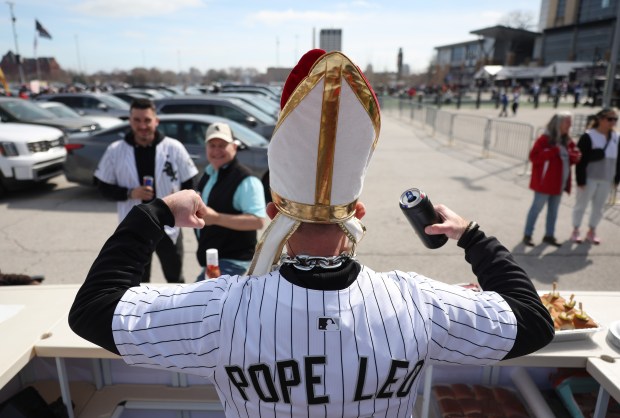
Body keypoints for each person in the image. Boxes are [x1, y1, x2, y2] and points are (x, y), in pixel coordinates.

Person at [69, 50, 554, 417]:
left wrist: (153, 213)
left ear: (276, 210)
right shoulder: (416, 302)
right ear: (358, 212)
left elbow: (93, 310)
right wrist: (472, 236)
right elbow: (533, 321)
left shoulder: (221, 309)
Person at [94, 98, 198, 282]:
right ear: (130, 121)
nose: (143, 125)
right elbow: (102, 187)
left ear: (156, 121)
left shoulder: (174, 148)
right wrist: (129, 193)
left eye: (147, 120)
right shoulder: (115, 150)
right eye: (137, 120)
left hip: (169, 225)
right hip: (135, 225)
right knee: (137, 282)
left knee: (175, 279)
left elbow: (191, 184)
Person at [194, 122, 267, 277]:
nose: (216, 150)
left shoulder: (247, 180)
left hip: (234, 263)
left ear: (234, 147)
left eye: (222, 145)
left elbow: (258, 221)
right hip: (213, 261)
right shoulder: (208, 174)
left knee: (194, 300)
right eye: (212, 145)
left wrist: (216, 218)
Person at [523, 112, 581, 247]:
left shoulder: (567, 140)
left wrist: (574, 156)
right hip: (544, 185)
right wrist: (554, 151)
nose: (570, 125)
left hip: (559, 185)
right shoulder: (545, 139)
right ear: (558, 123)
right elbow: (534, 157)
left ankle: (549, 235)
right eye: (567, 122)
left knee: (553, 212)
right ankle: (528, 234)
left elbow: (573, 153)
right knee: (536, 209)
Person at [571, 108, 620, 244]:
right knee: (581, 205)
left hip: (606, 179)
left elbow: (618, 160)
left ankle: (592, 230)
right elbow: (580, 160)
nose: (613, 122)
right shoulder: (588, 136)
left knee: (598, 208)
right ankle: (576, 229)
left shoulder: (617, 137)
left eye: (615, 119)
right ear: (600, 119)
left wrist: (616, 179)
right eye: (610, 119)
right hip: (589, 178)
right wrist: (580, 179)